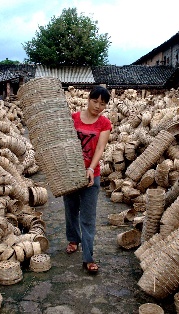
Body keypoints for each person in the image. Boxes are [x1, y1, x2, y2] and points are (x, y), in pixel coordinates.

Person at [63, 85, 112, 274]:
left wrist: (91, 168)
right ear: (88, 99)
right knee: (71, 209)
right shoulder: (73, 118)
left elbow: (100, 149)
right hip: (71, 172)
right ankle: (73, 240)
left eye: (102, 103)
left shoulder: (104, 123)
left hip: (92, 175)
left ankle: (88, 257)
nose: (98, 106)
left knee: (88, 217)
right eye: (95, 101)